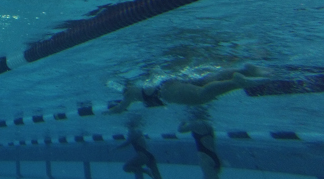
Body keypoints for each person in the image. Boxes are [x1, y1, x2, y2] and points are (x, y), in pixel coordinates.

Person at [108, 65, 271, 114]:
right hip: (173, 82)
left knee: (201, 96)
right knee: (209, 80)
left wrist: (109, 111)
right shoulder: (141, 84)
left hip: (166, 91)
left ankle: (237, 83)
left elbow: (120, 108)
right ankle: (250, 70)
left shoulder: (129, 93)